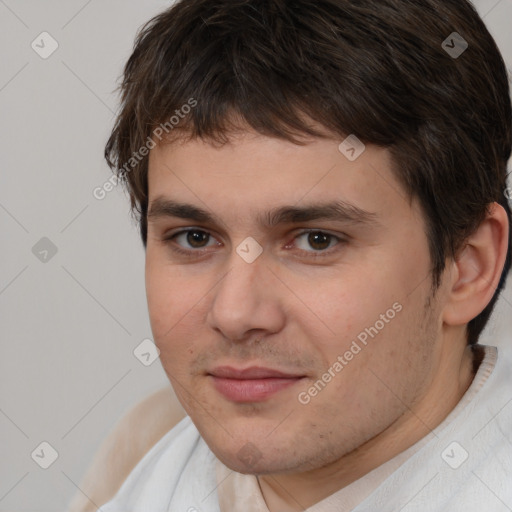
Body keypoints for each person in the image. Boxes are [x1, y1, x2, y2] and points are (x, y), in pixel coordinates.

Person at [99, 0, 512, 510]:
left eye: (317, 239)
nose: (234, 314)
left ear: (468, 267)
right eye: (195, 238)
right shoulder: (138, 464)